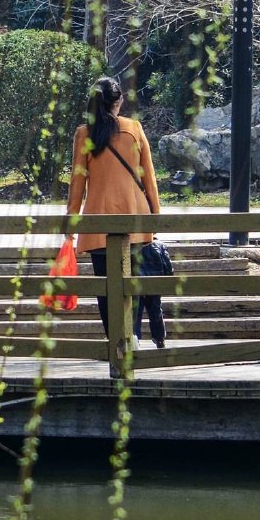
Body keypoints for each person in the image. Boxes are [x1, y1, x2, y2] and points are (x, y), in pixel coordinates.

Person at [66, 76, 166, 347]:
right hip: (136, 219)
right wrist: (154, 219)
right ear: (118, 100)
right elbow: (149, 178)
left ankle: (116, 340)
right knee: (133, 284)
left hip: (98, 223)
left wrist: (71, 224)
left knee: (106, 288)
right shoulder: (134, 128)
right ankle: (131, 335)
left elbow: (78, 182)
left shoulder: (84, 134)